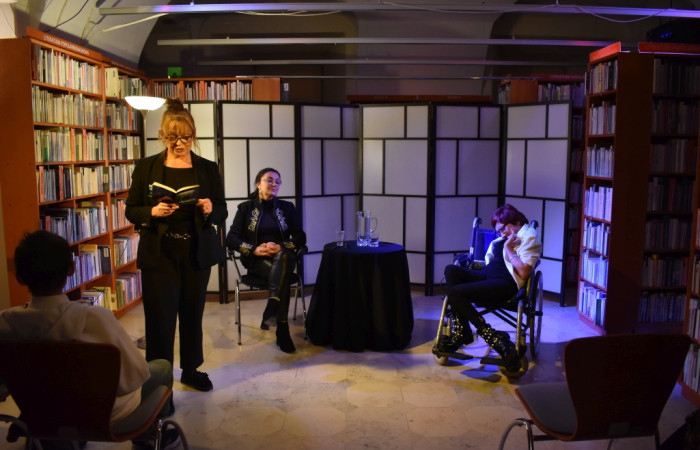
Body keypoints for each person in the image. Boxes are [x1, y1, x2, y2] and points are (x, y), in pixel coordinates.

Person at [0, 230, 178, 449]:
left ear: (19, 277)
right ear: (71, 269)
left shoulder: (5, 323)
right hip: (104, 417)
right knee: (162, 367)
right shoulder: (96, 318)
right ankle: (148, 439)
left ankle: (57, 440)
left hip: (41, 415)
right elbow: (135, 374)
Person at [125, 98, 227, 392]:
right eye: (172, 137)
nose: (179, 143)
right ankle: (160, 382)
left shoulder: (207, 168)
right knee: (160, 320)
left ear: (193, 135)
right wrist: (152, 211)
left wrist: (210, 209)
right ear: (162, 135)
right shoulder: (146, 167)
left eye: (185, 137)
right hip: (160, 255)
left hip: (196, 253)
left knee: (192, 316)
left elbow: (222, 211)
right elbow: (132, 210)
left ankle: (191, 370)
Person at [443, 204, 541, 370]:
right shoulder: (507, 237)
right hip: (487, 275)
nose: (502, 234)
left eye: (503, 229)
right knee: (451, 270)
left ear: (516, 222)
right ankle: (462, 330)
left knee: (455, 293)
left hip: (505, 283)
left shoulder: (529, 236)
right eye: (499, 231)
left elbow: (524, 272)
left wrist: (509, 249)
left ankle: (492, 336)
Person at [225, 167, 307, 353]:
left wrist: (281, 246)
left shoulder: (287, 207)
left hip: (283, 257)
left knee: (283, 258)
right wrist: (254, 249)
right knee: (283, 276)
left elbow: (300, 237)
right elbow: (231, 238)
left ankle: (272, 306)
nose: (274, 184)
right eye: (269, 180)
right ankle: (282, 329)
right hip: (257, 261)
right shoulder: (245, 208)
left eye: (277, 181)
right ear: (258, 184)